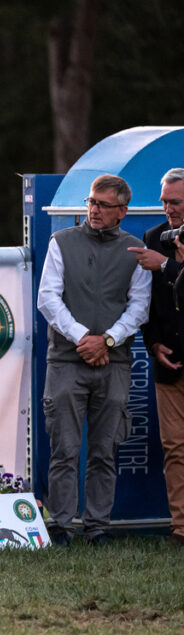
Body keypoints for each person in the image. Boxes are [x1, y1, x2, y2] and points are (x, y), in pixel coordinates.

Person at [38, 174, 151, 546]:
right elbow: (48, 299)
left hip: (113, 364)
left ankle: (98, 525)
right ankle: (62, 525)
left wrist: (107, 340)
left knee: (105, 450)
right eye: (91, 202)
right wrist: (83, 338)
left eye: (103, 204)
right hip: (67, 362)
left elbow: (140, 307)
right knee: (64, 449)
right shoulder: (61, 242)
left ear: (122, 210)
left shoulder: (136, 252)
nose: (94, 209)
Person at [128, 168, 184, 546]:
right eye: (164, 201)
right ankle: (181, 528)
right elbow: (146, 303)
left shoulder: (160, 253)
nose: (167, 208)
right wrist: (152, 344)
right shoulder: (154, 238)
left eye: (175, 202)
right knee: (174, 446)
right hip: (169, 361)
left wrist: (167, 265)